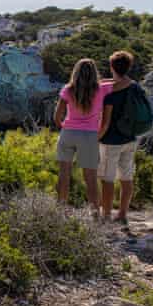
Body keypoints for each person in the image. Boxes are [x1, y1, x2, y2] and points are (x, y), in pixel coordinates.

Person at [54, 58, 113, 209]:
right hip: (89, 135)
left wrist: (65, 127)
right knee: (91, 178)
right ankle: (94, 214)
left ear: (75, 72)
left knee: (64, 175)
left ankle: (60, 210)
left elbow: (57, 117)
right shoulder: (102, 89)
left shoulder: (68, 90)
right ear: (95, 74)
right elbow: (120, 80)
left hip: (68, 133)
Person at [98, 51, 138, 223]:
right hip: (131, 138)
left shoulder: (110, 93)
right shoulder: (135, 86)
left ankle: (106, 215)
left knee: (107, 179)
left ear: (112, 67)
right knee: (126, 177)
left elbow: (105, 122)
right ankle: (122, 214)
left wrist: (96, 138)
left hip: (111, 140)